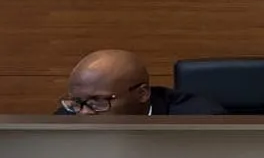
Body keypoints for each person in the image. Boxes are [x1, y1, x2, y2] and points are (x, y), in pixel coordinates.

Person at [54, 50, 224, 116]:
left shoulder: (199, 121)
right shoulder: (65, 119)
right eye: (77, 102)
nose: (83, 113)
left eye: (97, 102)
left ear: (142, 94)